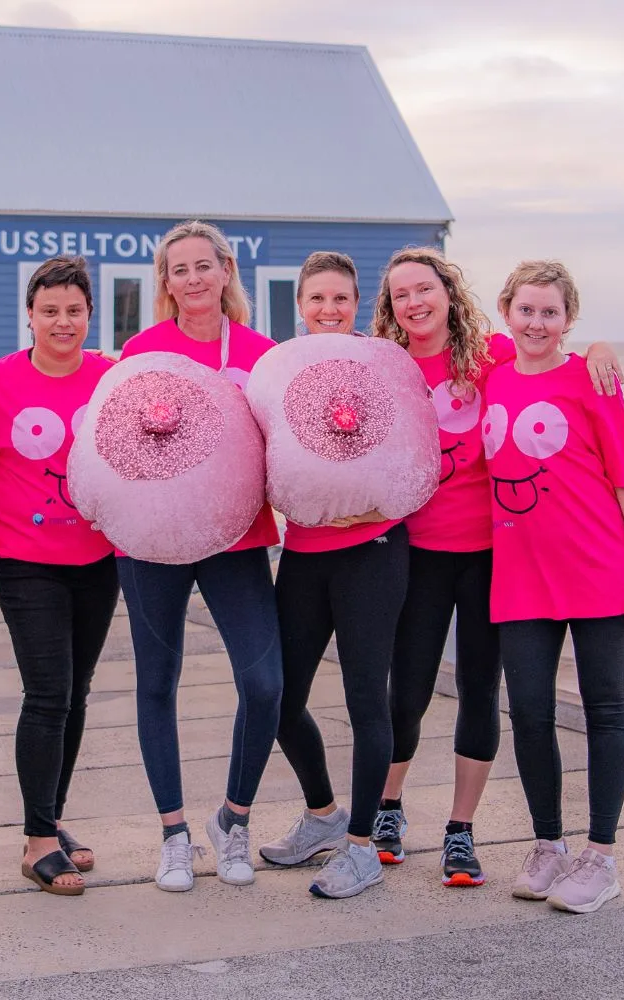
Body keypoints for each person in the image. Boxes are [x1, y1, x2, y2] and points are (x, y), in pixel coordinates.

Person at [369, 246, 622, 885]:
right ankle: (388, 806)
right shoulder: (385, 366)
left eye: (425, 288)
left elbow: (550, 359)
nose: (415, 302)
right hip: (418, 551)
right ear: (391, 307)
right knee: (410, 687)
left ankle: (461, 830)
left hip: (490, 554)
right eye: (402, 294)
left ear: (449, 293)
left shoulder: (491, 358)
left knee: (481, 690)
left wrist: (599, 350)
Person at [484, 260, 624, 914]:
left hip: (599, 570)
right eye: (526, 310)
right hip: (522, 577)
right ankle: (548, 845)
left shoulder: (592, 379)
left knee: (604, 709)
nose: (537, 322)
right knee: (528, 710)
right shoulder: (495, 373)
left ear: (569, 320)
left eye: (550, 312)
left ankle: (602, 857)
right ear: (507, 311)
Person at [113, 220, 283, 892]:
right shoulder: (141, 349)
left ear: (225, 270)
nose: (191, 280)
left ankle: (233, 819)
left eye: (201, 266)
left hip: (236, 536)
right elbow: (116, 438)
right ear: (166, 282)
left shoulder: (261, 353)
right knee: (158, 681)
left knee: (265, 683)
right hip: (152, 540)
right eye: (178, 270)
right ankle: (174, 834)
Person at [255, 252, 406, 899]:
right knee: (277, 700)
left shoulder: (379, 364)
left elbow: (413, 455)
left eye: (340, 298)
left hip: (374, 552)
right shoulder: (283, 369)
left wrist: (376, 507)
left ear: (357, 301)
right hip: (305, 555)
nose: (329, 309)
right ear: (300, 305)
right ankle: (323, 816)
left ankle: (363, 847)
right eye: (317, 299)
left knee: (366, 702)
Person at [0, 256, 119, 896]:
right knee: (48, 692)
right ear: (28, 316)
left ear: (89, 315)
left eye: (74, 311)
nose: (63, 322)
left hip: (99, 559)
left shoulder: (113, 379)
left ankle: (51, 821)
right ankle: (36, 844)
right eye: (50, 311)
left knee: (76, 692)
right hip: (26, 560)